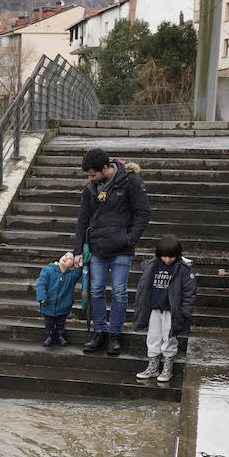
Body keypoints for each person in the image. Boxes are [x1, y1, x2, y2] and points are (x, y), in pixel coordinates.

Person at [71, 147, 151, 355]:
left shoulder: (131, 181)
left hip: (121, 248)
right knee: (96, 290)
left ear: (105, 168)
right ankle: (99, 332)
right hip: (97, 247)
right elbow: (82, 220)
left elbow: (143, 212)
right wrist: (78, 250)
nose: (90, 178)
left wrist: (130, 238)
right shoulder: (91, 187)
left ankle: (114, 334)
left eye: (93, 174)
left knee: (119, 291)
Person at [132, 235, 196, 383]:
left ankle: (168, 366)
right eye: (164, 256)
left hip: (172, 310)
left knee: (169, 338)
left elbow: (189, 291)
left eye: (171, 257)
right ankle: (153, 366)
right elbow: (144, 287)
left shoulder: (183, 268)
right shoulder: (153, 265)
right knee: (153, 336)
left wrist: (185, 311)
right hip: (155, 308)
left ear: (177, 255)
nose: (167, 260)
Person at [35, 251, 84, 346]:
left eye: (70, 259)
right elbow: (41, 283)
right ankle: (49, 336)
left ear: (72, 266)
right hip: (47, 303)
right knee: (49, 323)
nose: (66, 258)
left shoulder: (71, 275)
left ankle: (61, 336)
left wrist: (81, 261)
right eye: (65, 255)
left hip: (63, 305)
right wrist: (41, 297)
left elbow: (80, 270)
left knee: (61, 323)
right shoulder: (48, 270)